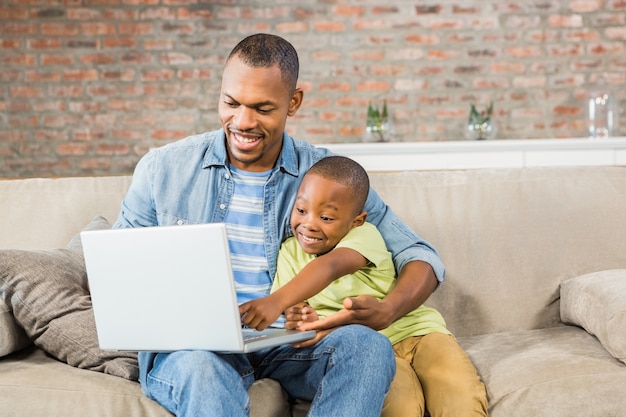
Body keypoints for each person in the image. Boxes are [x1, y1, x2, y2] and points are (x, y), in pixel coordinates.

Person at [112, 33, 443, 417]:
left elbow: (420, 256)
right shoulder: (164, 169)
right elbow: (118, 272)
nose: (242, 122)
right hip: (197, 349)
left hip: (290, 342)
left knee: (368, 347)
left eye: (262, 108)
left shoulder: (326, 178)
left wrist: (388, 309)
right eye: (231, 103)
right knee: (200, 368)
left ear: (294, 103)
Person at [241, 156, 489, 417]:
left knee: (459, 397)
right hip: (369, 351)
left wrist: (275, 302)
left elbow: (331, 266)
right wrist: (300, 316)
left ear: (356, 220)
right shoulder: (289, 252)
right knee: (399, 408)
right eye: (301, 211)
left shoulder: (364, 235)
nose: (309, 223)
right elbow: (296, 305)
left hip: (418, 335)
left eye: (326, 217)